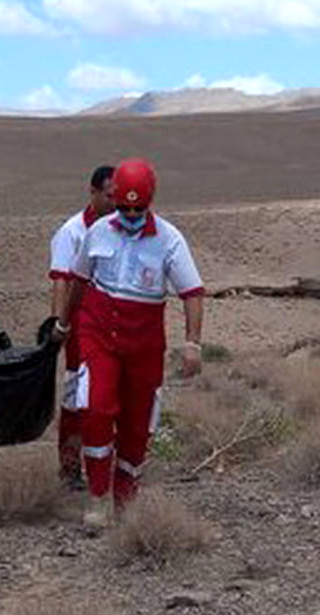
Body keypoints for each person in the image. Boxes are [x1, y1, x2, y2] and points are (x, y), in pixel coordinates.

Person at [53, 158, 205, 530]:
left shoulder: (169, 239)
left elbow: (192, 292)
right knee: (97, 408)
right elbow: (78, 279)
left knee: (138, 421)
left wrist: (193, 343)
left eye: (139, 208)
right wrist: (63, 322)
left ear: (150, 202)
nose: (132, 215)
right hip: (99, 333)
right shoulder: (99, 231)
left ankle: (126, 495)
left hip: (144, 342)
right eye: (125, 207)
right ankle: (98, 496)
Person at [49, 165, 116, 491]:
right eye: (109, 195)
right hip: (79, 323)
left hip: (112, 322)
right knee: (76, 395)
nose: (115, 201)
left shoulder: (121, 228)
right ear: (92, 193)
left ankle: (104, 462)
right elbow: (61, 280)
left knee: (106, 396)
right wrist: (59, 325)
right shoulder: (72, 231)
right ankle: (70, 466)